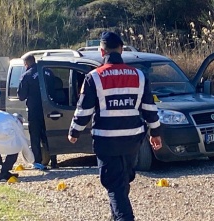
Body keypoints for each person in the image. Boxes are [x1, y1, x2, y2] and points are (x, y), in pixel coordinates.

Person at [68, 31, 162, 221]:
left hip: (107, 141)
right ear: (121, 49)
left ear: (102, 52)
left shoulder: (94, 77)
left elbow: (84, 110)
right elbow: (149, 109)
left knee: (114, 184)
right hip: (133, 141)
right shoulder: (140, 76)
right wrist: (156, 132)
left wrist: (74, 131)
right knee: (122, 181)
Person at [17, 55, 57, 170]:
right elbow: (55, 88)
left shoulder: (27, 75)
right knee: (48, 135)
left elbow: (21, 96)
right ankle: (54, 161)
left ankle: (38, 162)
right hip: (50, 108)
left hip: (34, 111)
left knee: (35, 137)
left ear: (26, 63)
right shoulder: (48, 71)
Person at [0, 110, 36, 180]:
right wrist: (31, 159)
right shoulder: (15, 121)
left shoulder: (2, 114)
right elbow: (23, 141)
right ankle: (4, 171)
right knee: (16, 147)